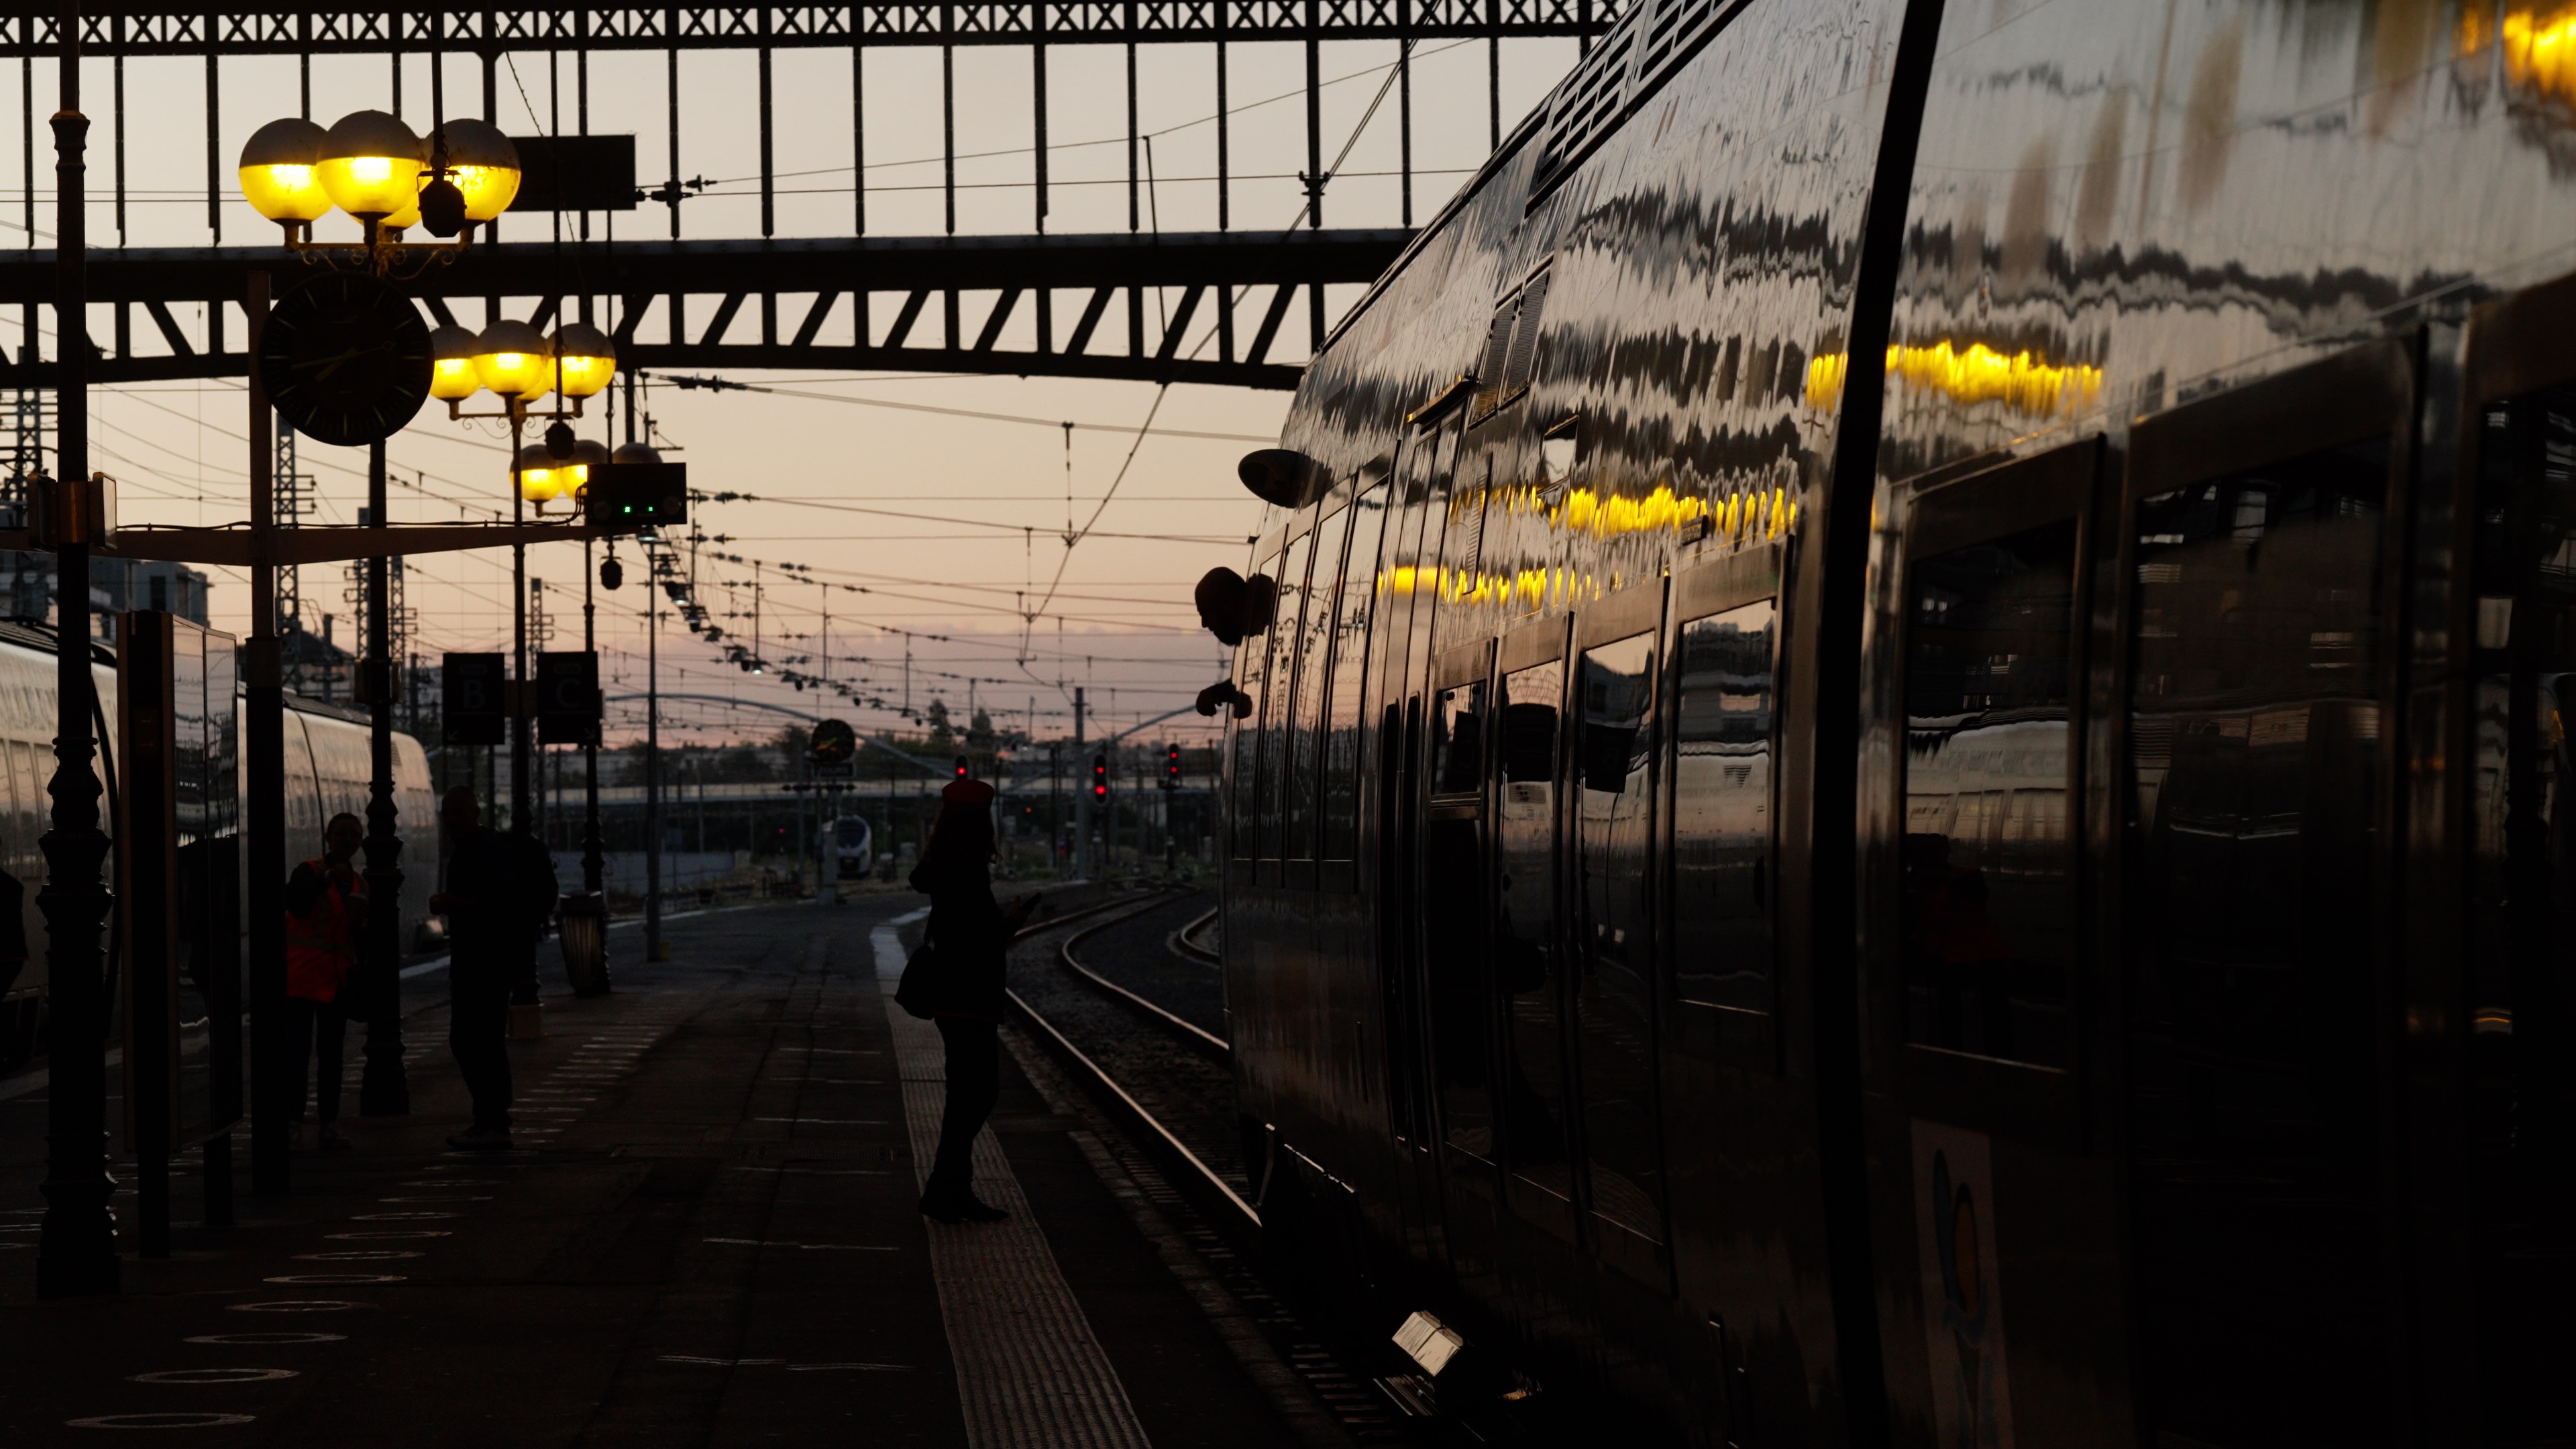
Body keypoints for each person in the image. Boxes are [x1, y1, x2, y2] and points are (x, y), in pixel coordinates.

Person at [904, 778, 1036, 1223]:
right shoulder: (967, 870)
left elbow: (948, 914)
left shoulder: (941, 863)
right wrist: (1012, 923)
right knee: (977, 1094)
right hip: (970, 995)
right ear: (981, 823)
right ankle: (946, 1189)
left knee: (967, 1094)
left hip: (950, 993)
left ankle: (953, 1190)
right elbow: (981, 938)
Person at [431, 786, 557, 1150]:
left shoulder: (484, 851)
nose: (451, 820)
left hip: (486, 961)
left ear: (475, 812)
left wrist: (454, 903)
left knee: (475, 1040)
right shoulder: (477, 849)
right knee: (479, 1040)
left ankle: (493, 1122)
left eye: (457, 813)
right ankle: (490, 1119)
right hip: (482, 959)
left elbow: (499, 904)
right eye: (447, 813)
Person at [284, 812, 369, 1153]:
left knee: (332, 1056)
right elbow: (296, 904)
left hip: (335, 981)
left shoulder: (362, 885)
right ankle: (292, 1122)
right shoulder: (310, 871)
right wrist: (325, 882)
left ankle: (328, 1124)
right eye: (342, 834)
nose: (347, 840)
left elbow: (360, 937)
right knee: (297, 1054)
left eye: (354, 835)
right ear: (327, 837)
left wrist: (361, 926)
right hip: (301, 978)